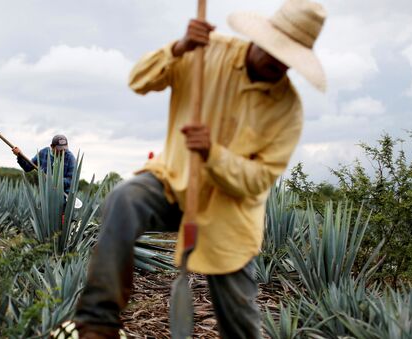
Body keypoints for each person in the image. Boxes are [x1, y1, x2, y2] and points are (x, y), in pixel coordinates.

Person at [72, 0, 327, 338]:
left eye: (289, 58)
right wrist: (179, 48)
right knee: (125, 198)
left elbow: (258, 180)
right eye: (275, 50)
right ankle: (98, 324)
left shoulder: (286, 109)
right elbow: (138, 80)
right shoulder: (206, 53)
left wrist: (212, 153)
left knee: (240, 324)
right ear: (259, 38)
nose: (279, 62)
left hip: (228, 212)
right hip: (172, 182)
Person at [12, 134, 76, 194]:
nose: (63, 151)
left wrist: (54, 180)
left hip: (63, 197)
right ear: (52, 146)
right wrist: (19, 156)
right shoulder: (44, 152)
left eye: (64, 149)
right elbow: (27, 167)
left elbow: (71, 180)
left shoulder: (70, 158)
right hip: (45, 196)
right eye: (60, 149)